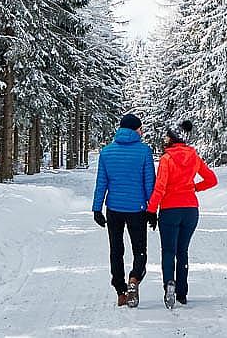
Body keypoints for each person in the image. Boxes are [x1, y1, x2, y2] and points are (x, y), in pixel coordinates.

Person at [146, 119, 217, 310]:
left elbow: (160, 188)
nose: (165, 137)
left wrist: (151, 210)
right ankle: (182, 293)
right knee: (182, 251)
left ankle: (169, 283)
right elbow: (211, 180)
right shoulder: (194, 156)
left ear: (173, 138)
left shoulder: (166, 159)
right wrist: (194, 187)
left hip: (170, 209)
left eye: (168, 135)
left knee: (169, 251)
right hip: (190, 210)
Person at [92, 112, 155, 307]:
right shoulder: (144, 151)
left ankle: (120, 291)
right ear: (136, 129)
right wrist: (152, 210)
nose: (142, 131)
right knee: (139, 251)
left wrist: (97, 208)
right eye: (140, 128)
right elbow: (149, 183)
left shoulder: (107, 152)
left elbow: (102, 182)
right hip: (137, 209)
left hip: (114, 209)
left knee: (116, 251)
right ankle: (134, 279)